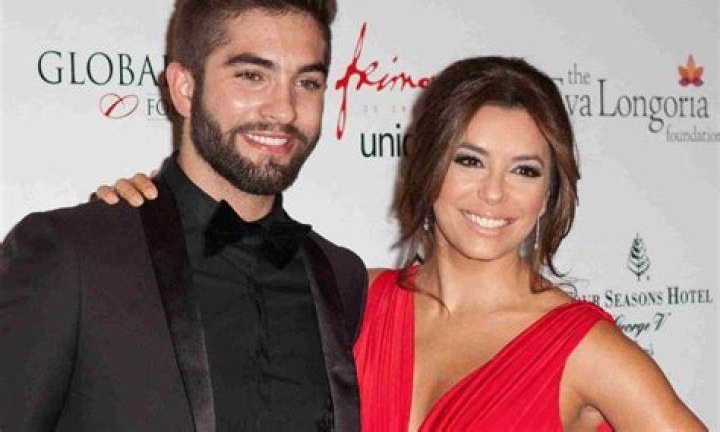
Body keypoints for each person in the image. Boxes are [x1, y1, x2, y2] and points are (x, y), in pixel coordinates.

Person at [101, 57, 707, 431]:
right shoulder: (351, 300)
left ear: (550, 193)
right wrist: (150, 215)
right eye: (469, 160)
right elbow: (201, 300)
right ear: (426, 164)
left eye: (525, 171)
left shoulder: (584, 351)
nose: (494, 193)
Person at [0, 0, 366, 432]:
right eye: (252, 76)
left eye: (307, 82)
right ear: (184, 88)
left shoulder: (341, 276)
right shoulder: (73, 256)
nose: (284, 109)